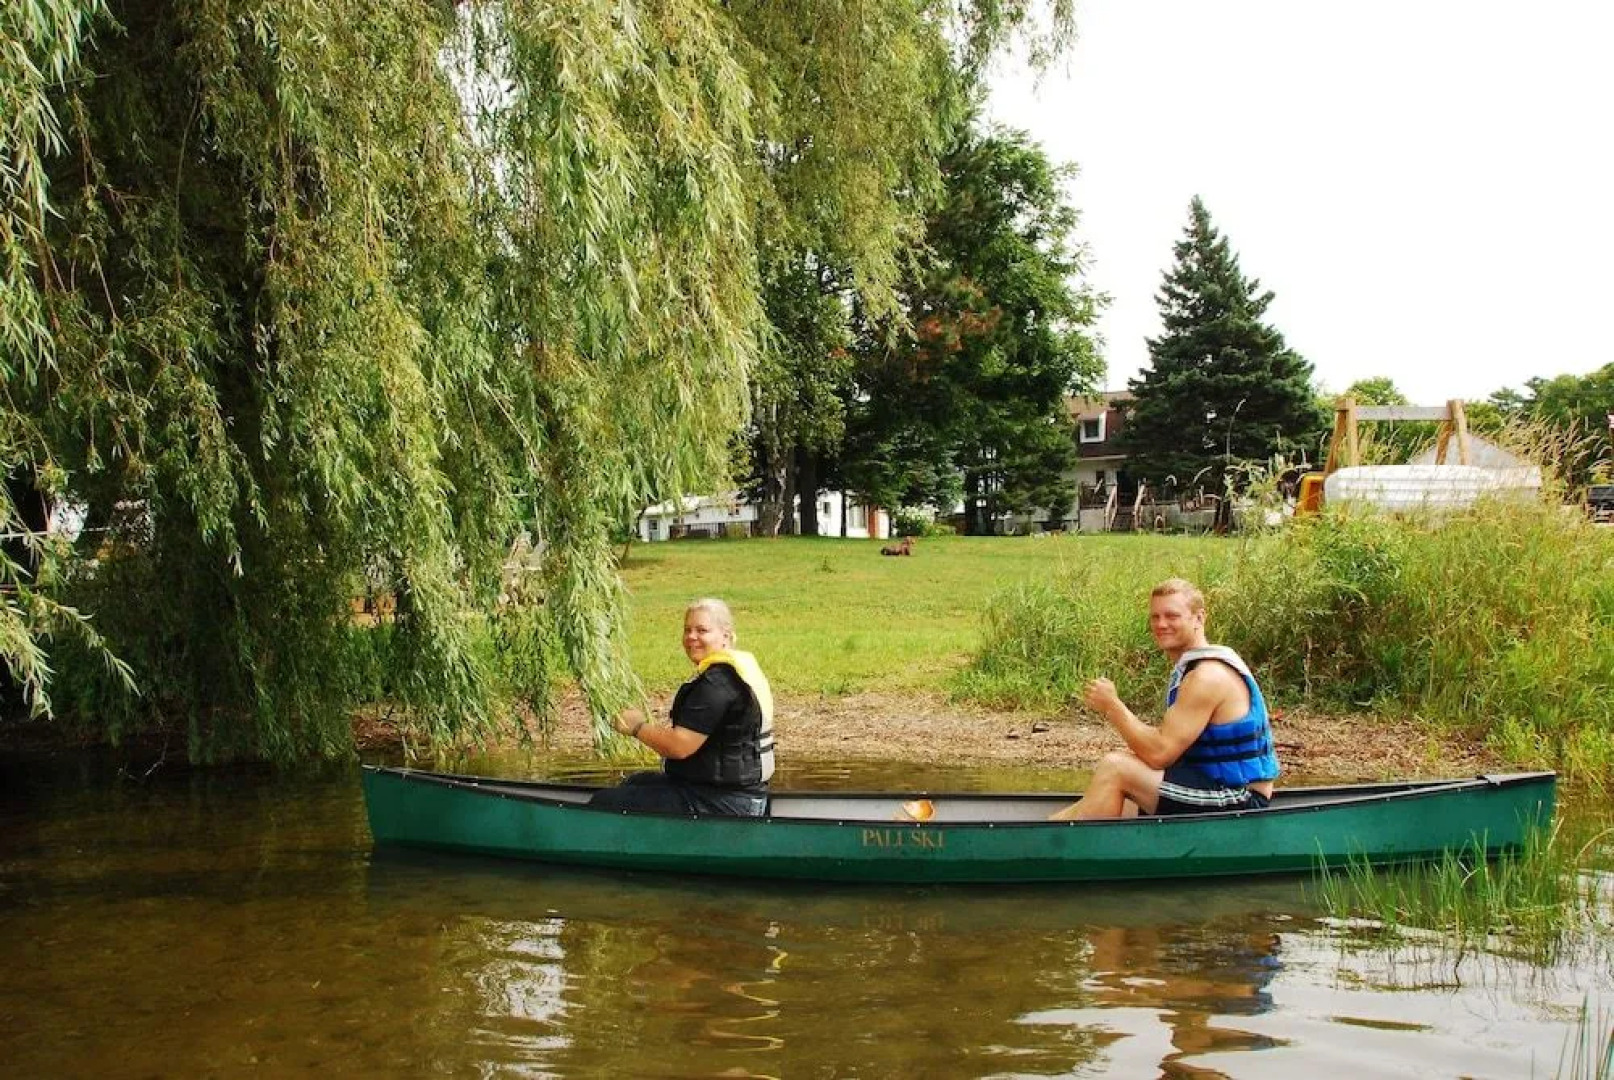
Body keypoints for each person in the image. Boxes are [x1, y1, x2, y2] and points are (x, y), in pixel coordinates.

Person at [1050, 578, 1277, 820]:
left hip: (1240, 800)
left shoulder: (1207, 676)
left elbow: (1160, 754)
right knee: (1117, 796)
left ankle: (1069, 851)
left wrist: (1113, 707)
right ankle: (1048, 834)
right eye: (1155, 617)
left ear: (1199, 618)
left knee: (1116, 768)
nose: (1161, 624)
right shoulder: (1195, 669)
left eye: (1172, 616)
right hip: (1215, 786)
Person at [589, 598, 775, 816]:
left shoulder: (718, 684)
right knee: (636, 782)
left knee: (604, 802)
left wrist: (636, 727)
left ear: (725, 636)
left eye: (702, 630)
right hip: (729, 794)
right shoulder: (731, 673)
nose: (691, 637)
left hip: (725, 803)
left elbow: (679, 746)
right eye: (687, 630)